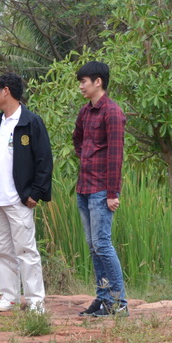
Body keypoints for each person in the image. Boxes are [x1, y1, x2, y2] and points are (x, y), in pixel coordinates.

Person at [0, 74, 53, 314]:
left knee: (26, 251)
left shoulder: (31, 122)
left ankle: (35, 301)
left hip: (20, 199)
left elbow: (44, 160)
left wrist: (36, 193)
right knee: (2, 251)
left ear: (6, 91)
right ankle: (9, 297)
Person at [72, 61, 129, 317]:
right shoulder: (85, 112)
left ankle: (119, 303)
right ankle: (104, 298)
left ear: (98, 82)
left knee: (103, 244)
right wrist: (86, 156)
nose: (81, 86)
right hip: (84, 187)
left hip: (101, 190)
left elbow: (116, 156)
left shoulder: (112, 112)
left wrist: (112, 193)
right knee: (93, 246)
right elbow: (77, 139)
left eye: (84, 81)